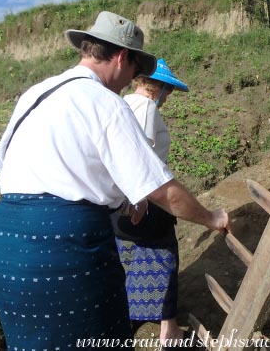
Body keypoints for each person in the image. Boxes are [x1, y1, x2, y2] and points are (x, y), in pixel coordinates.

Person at [0, 11, 230, 350]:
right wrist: (211, 217)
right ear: (120, 57)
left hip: (7, 243)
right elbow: (161, 189)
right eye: (133, 69)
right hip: (66, 246)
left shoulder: (36, 94)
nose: (129, 79)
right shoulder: (105, 102)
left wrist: (122, 193)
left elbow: (8, 163)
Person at [111, 59, 193, 348]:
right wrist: (142, 198)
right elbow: (140, 152)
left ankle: (133, 312)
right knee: (166, 252)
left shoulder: (122, 103)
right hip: (143, 196)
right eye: (167, 90)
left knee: (130, 255)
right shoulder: (145, 107)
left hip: (119, 201)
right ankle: (169, 330)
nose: (167, 97)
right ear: (155, 87)